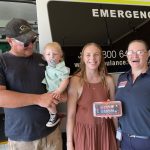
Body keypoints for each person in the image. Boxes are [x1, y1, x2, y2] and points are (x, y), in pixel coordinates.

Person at [0, 18, 64, 150]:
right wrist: (39, 99)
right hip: (22, 139)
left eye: (33, 40)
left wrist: (60, 96)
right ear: (10, 40)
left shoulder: (43, 58)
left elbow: (57, 82)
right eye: (25, 42)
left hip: (52, 134)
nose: (31, 45)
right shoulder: (2, 61)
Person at [66, 42, 118, 150]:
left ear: (101, 57)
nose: (92, 58)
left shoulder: (108, 80)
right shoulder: (76, 81)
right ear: (83, 58)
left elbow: (115, 113)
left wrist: (118, 136)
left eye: (96, 54)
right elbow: (71, 115)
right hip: (83, 133)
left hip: (106, 131)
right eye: (88, 55)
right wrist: (69, 143)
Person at [115, 39, 150, 150]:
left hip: (146, 141)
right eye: (130, 52)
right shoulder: (122, 78)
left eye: (139, 52)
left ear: (148, 54)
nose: (134, 55)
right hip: (125, 140)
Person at [42, 42, 70, 127]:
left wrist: (59, 91)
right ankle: (55, 115)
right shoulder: (49, 66)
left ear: (60, 56)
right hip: (52, 91)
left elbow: (65, 80)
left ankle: (54, 116)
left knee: (48, 103)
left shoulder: (61, 68)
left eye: (55, 54)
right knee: (49, 103)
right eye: (48, 54)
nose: (51, 56)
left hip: (57, 92)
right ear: (44, 57)